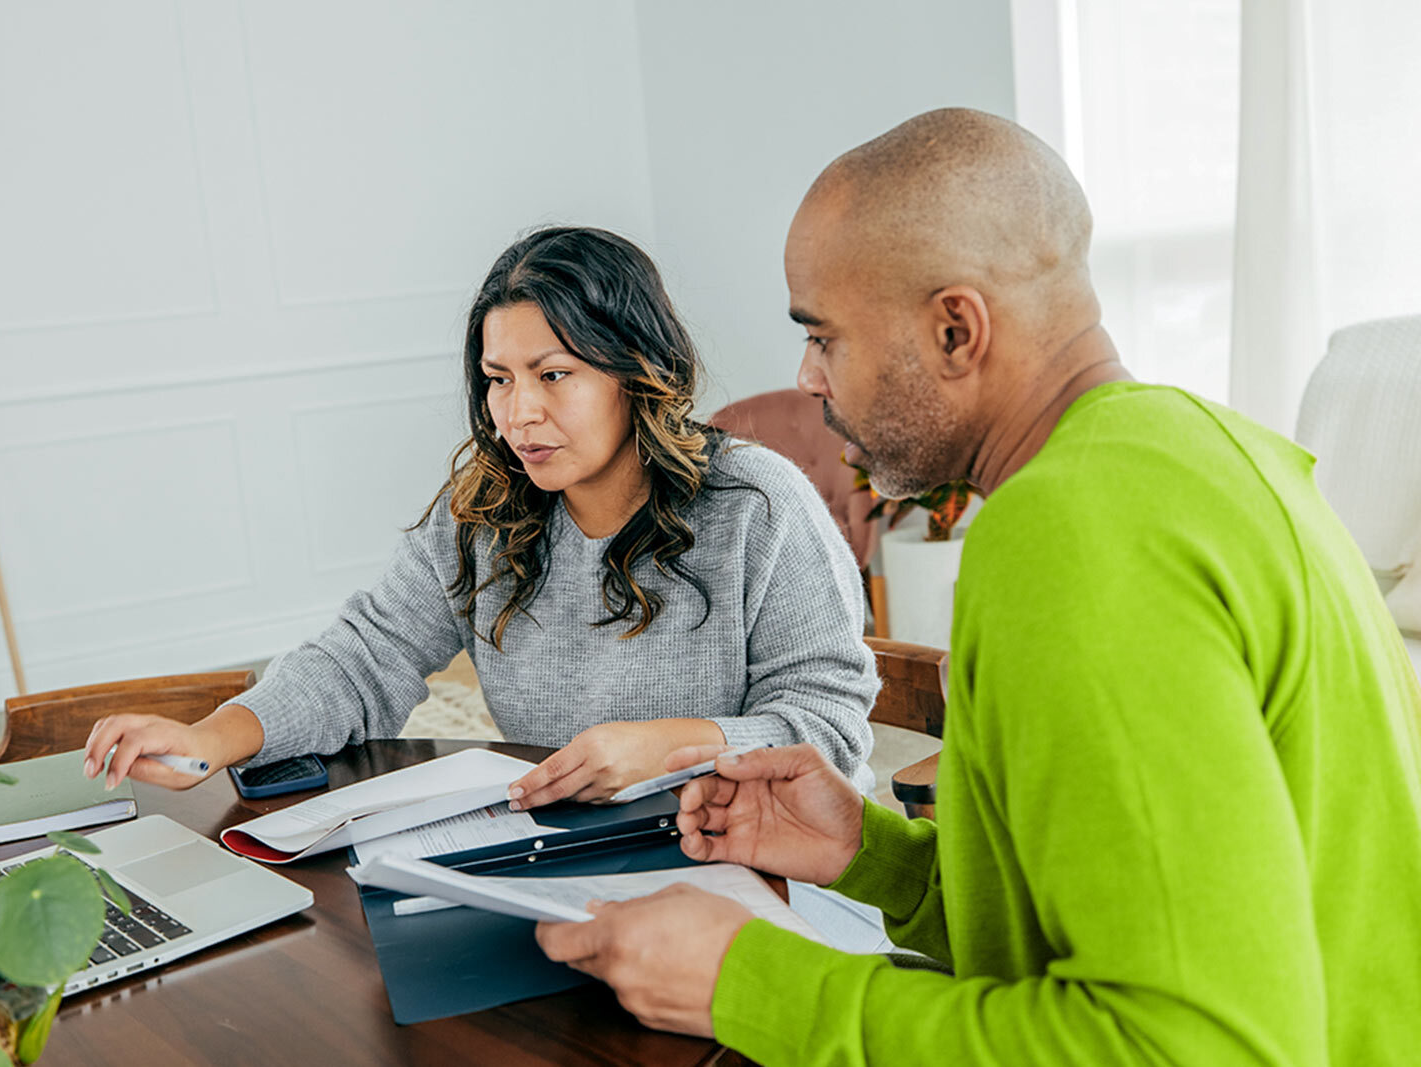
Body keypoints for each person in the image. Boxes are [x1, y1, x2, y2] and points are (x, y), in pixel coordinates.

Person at [535, 109, 1421, 1064]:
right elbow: (1142, 917)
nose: (808, 376)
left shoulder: (1071, 535)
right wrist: (871, 856)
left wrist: (749, 981)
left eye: (824, 336)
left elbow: (1186, 1044)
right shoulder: (1213, 447)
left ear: (956, 328)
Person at [83, 226, 877, 805]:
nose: (518, 414)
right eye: (499, 379)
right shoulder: (489, 515)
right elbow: (365, 656)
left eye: (553, 374)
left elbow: (830, 726)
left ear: (636, 372)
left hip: (758, 852)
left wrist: (677, 743)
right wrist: (207, 738)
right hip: (574, 848)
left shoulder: (756, 503)